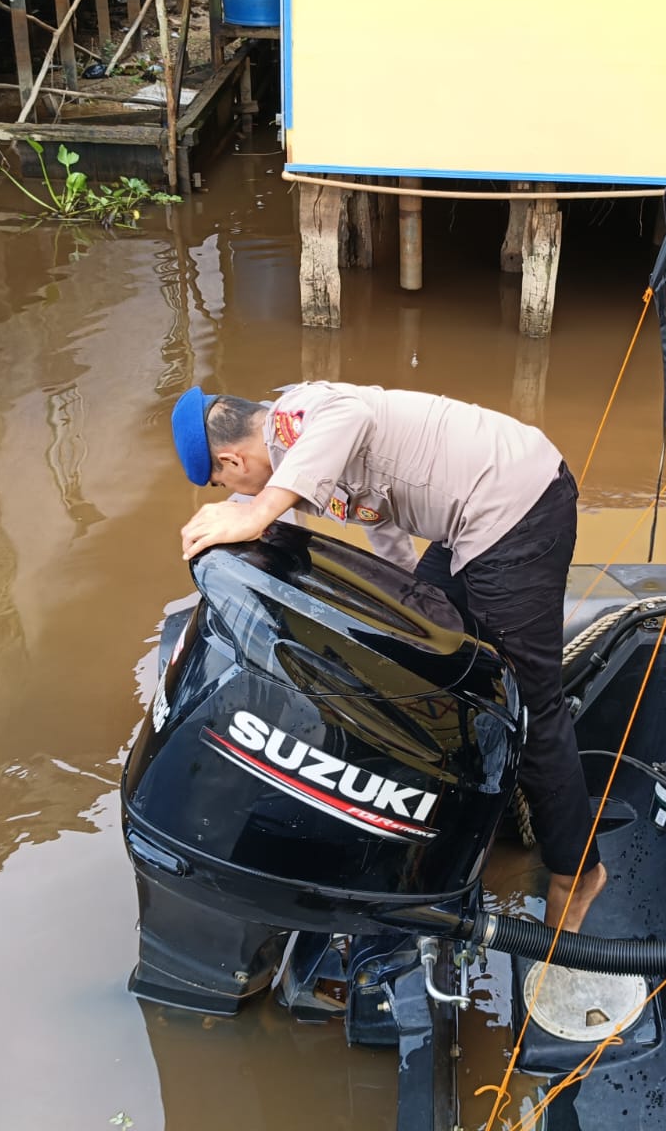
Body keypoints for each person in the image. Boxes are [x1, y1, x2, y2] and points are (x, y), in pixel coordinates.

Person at [170, 381, 607, 932]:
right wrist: (403, 605)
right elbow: (383, 521)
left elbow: (349, 414)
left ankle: (578, 869)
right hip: (465, 519)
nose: (237, 493)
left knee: (529, 706)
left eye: (225, 483)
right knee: (423, 658)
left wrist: (259, 512)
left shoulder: (301, 419)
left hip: (516, 504)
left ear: (232, 459)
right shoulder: (303, 452)